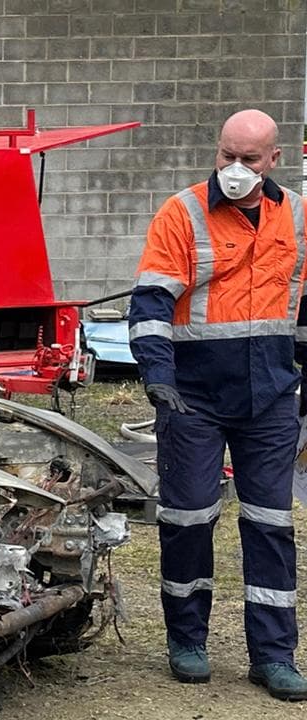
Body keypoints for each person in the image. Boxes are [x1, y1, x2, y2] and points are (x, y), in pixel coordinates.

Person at [128, 108, 307, 701]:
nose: (235, 169)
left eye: (249, 159)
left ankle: (274, 656)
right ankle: (187, 641)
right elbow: (151, 302)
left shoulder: (299, 216)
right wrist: (158, 377)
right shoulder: (181, 213)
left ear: (274, 160)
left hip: (272, 399)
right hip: (193, 398)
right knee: (186, 520)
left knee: (271, 525)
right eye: (226, 155)